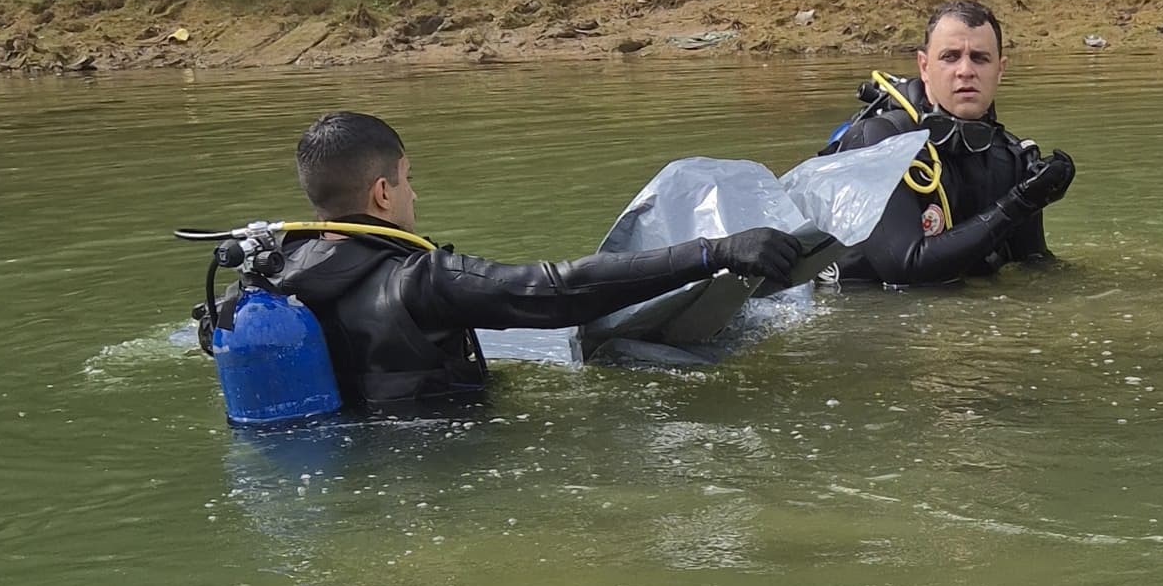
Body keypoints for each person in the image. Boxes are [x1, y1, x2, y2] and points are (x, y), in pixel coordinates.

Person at [244, 111, 814, 415]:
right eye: (407, 180)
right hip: (439, 464)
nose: (413, 195)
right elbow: (556, 291)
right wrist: (714, 250)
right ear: (382, 194)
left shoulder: (271, 275)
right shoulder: (418, 279)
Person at [817, 0, 1076, 287]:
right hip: (872, 314)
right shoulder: (878, 142)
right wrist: (1018, 204)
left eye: (980, 58)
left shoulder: (1010, 159)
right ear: (924, 66)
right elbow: (905, 269)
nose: (965, 70)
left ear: (1000, 70)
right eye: (950, 57)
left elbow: (1035, 266)